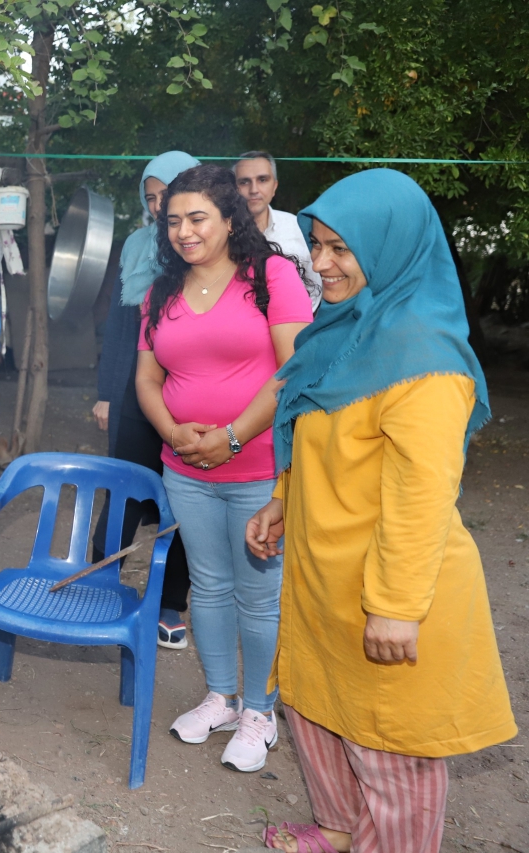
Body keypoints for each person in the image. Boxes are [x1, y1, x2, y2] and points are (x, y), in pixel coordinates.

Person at [247, 169, 517, 853]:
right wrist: (283, 500)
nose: (323, 263)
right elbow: (314, 427)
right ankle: (338, 827)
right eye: (317, 244)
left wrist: (394, 603)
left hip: (386, 591)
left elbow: (421, 494)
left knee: (389, 745)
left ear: (392, 249)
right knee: (316, 711)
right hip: (321, 579)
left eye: (343, 248)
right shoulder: (342, 332)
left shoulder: (425, 360)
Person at [134, 164, 312, 773]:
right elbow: (147, 378)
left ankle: (261, 711)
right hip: (186, 469)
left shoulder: (272, 276)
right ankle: (222, 697)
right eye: (174, 219)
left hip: (261, 468)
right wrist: (174, 432)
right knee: (207, 585)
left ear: (230, 218)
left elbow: (294, 372)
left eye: (197, 218)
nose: (183, 230)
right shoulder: (162, 292)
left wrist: (232, 438)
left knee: (259, 597)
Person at [91, 150, 198, 650]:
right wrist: (105, 396)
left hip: (191, 395)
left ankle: (170, 600)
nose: (158, 207)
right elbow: (118, 330)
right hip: (135, 392)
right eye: (151, 198)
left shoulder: (206, 249)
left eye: (168, 195)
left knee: (183, 499)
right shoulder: (135, 247)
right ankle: (98, 584)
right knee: (123, 491)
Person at [233, 151, 322, 311]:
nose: (254, 189)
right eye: (245, 182)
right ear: (234, 189)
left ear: (275, 186)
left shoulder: (297, 227)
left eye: (262, 180)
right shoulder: (221, 233)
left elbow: (315, 285)